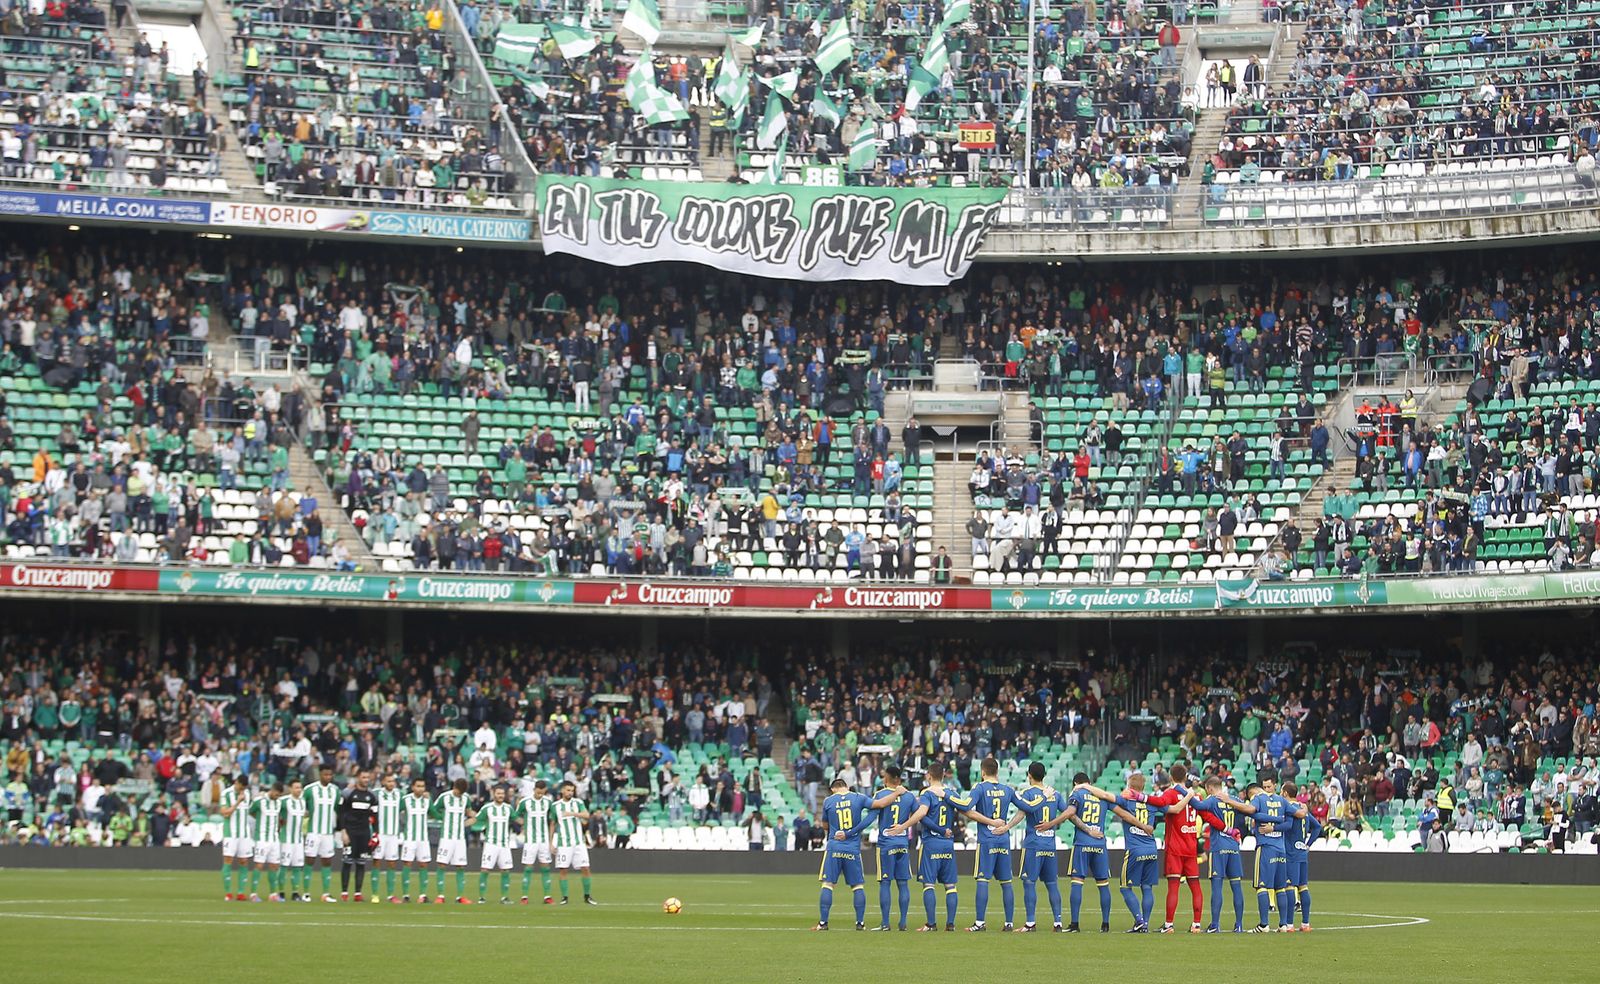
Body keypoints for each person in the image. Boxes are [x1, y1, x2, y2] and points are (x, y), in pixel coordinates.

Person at [882, 761, 995, 931]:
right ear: (943, 776)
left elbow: (921, 813)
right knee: (950, 885)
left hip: (931, 844)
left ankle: (931, 924)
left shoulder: (926, 793)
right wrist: (992, 822)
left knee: (928, 884)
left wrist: (903, 826)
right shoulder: (951, 793)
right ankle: (950, 924)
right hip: (948, 845)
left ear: (928, 776)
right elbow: (968, 811)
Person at [1217, 772, 1305, 932]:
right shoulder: (1282, 800)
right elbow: (1297, 815)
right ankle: (1283, 924)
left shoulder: (1259, 799)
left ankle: (1264, 924)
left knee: (1262, 886)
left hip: (1266, 848)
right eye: (1265, 787)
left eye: (1267, 786)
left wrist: (1229, 800)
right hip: (1281, 849)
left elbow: (1249, 809)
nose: (1266, 789)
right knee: (1281, 887)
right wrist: (1298, 811)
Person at [1140, 763, 1209, 933]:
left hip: (1175, 848)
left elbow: (1162, 804)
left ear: (1170, 777)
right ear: (1186, 777)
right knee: (1195, 885)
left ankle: (1169, 924)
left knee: (1173, 886)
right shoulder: (1196, 797)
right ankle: (1196, 924)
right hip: (1191, 847)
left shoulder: (1170, 793)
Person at [1000, 761, 1069, 932]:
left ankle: (1030, 923)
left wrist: (1007, 827)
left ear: (1029, 775)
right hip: (1050, 845)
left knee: (1029, 882)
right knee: (1052, 883)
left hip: (1033, 845)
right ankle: (1058, 922)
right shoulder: (1055, 794)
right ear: (1044, 775)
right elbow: (1068, 813)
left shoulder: (1028, 793)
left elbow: (1021, 814)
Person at [814, 776, 878, 930]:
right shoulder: (858, 797)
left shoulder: (829, 801)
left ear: (832, 789)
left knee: (828, 884)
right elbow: (875, 810)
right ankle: (860, 923)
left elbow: (824, 824)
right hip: (852, 849)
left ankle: (823, 923)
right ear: (846, 786)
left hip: (834, 847)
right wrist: (854, 831)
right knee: (857, 886)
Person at [966, 756, 1018, 931]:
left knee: (982, 879)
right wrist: (1007, 825)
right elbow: (1026, 807)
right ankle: (1009, 923)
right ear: (997, 771)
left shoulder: (979, 788)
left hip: (987, 840)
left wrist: (990, 821)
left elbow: (967, 809)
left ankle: (980, 922)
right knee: (1006, 882)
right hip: (1003, 840)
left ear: (982, 772)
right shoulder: (1007, 790)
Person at [1191, 776, 1248, 932]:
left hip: (1218, 847)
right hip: (1234, 847)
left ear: (1209, 788)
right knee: (1236, 886)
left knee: (1217, 886)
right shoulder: (1234, 799)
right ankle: (1239, 924)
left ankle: (1215, 924)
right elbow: (1247, 809)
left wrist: (1188, 794)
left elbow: (1197, 805)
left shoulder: (1212, 799)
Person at [1064, 772, 1114, 931]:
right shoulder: (1102, 797)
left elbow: (1071, 815)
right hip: (1100, 844)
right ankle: (1105, 924)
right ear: (1089, 782)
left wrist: (1087, 830)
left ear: (1075, 783)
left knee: (1077, 882)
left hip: (1082, 843)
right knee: (1103, 885)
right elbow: (1121, 811)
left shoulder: (1077, 794)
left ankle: (1075, 924)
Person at [870, 766, 917, 931]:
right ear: (900, 779)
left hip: (885, 844)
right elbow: (919, 815)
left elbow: (871, 816)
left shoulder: (881, 795)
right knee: (903, 883)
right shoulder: (910, 796)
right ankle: (903, 923)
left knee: (885, 882)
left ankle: (885, 923)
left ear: (886, 779)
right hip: (902, 843)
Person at [1281, 782, 1323, 930]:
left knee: (1290, 886)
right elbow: (1318, 827)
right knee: (1303, 886)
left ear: (1285, 793)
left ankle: (1289, 924)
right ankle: (1305, 923)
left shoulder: (1288, 809)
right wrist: (1308, 844)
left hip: (1290, 852)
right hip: (1302, 852)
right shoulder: (1302, 808)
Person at [336, 769, 379, 902]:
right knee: (347, 862)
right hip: (350, 832)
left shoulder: (372, 796)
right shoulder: (348, 793)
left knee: (361, 863)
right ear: (358, 778)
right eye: (363, 777)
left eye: (368, 777)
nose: (366, 780)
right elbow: (341, 814)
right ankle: (344, 892)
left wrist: (375, 834)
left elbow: (374, 816)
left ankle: (357, 893)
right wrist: (343, 831)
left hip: (364, 833)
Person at [553, 779, 597, 905]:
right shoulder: (555, 806)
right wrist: (551, 843)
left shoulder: (578, 802)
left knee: (585, 868)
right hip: (564, 843)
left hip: (578, 842)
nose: (570, 793)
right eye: (568, 790)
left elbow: (587, 815)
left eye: (572, 790)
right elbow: (552, 823)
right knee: (563, 870)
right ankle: (564, 897)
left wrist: (572, 813)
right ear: (562, 790)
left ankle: (587, 896)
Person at [432, 777, 475, 904]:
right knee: (442, 864)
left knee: (460, 866)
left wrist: (471, 819)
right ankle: (440, 896)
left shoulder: (465, 798)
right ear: (454, 787)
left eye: (461, 793)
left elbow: (469, 813)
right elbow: (434, 810)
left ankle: (460, 896)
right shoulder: (444, 797)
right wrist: (442, 818)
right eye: (458, 792)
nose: (459, 794)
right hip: (446, 837)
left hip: (460, 838)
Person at [303, 765, 342, 901]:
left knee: (327, 861)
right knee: (310, 860)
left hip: (328, 833)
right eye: (325, 775)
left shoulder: (335, 790)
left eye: (330, 775)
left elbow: (338, 808)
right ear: (320, 775)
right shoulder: (309, 790)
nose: (328, 777)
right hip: (313, 832)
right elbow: (303, 806)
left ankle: (325, 893)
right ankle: (306, 893)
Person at [473, 784, 516, 904]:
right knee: (485, 870)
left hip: (504, 845)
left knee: (506, 870)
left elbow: (517, 819)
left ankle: (505, 897)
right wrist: (464, 823)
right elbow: (477, 819)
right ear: (493, 794)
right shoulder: (487, 808)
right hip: (491, 844)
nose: (501, 796)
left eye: (502, 794)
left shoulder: (508, 808)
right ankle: (481, 897)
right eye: (498, 793)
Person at [517, 778, 555, 904]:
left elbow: (552, 821)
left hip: (544, 841)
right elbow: (516, 816)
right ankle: (524, 896)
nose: (540, 795)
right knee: (528, 868)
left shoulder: (548, 803)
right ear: (534, 790)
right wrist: (523, 825)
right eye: (538, 792)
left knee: (546, 868)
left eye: (542, 793)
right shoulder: (525, 802)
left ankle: (547, 896)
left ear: (545, 791)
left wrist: (550, 841)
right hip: (530, 841)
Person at [248, 782, 285, 902]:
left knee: (274, 866)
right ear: (272, 790)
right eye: (276, 794)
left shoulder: (278, 802)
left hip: (274, 839)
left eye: (279, 795)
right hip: (262, 839)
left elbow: (279, 817)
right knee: (259, 865)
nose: (277, 797)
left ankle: (273, 894)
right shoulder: (259, 801)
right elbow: (251, 812)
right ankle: (253, 894)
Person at [219, 773, 252, 901]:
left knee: (244, 861)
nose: (242, 791)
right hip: (230, 833)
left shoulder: (247, 794)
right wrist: (238, 802)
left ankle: (241, 892)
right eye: (240, 788)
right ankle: (228, 893)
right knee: (228, 860)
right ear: (236, 783)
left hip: (244, 833)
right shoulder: (226, 794)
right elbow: (225, 813)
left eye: (244, 788)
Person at [399, 778, 433, 902]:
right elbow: (394, 812)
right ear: (413, 787)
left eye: (422, 786)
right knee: (407, 864)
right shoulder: (406, 800)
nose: (420, 788)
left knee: (423, 864)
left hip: (423, 839)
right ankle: (406, 895)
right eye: (418, 786)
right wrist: (399, 829)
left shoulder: (427, 801)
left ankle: (422, 895)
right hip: (409, 838)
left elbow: (435, 813)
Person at [373, 773, 404, 902]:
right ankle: (375, 894)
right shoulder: (376, 793)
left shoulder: (400, 794)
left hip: (393, 835)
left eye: (393, 781)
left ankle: (391, 895)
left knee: (392, 863)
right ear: (383, 782)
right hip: (380, 834)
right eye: (388, 781)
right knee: (377, 862)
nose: (391, 783)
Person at [281, 778, 309, 902]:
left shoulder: (302, 802)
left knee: (297, 866)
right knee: (284, 866)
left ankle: (295, 892)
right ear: (290, 788)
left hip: (298, 840)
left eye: (300, 787)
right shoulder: (283, 801)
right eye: (296, 787)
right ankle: (281, 892)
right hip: (286, 839)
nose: (299, 790)